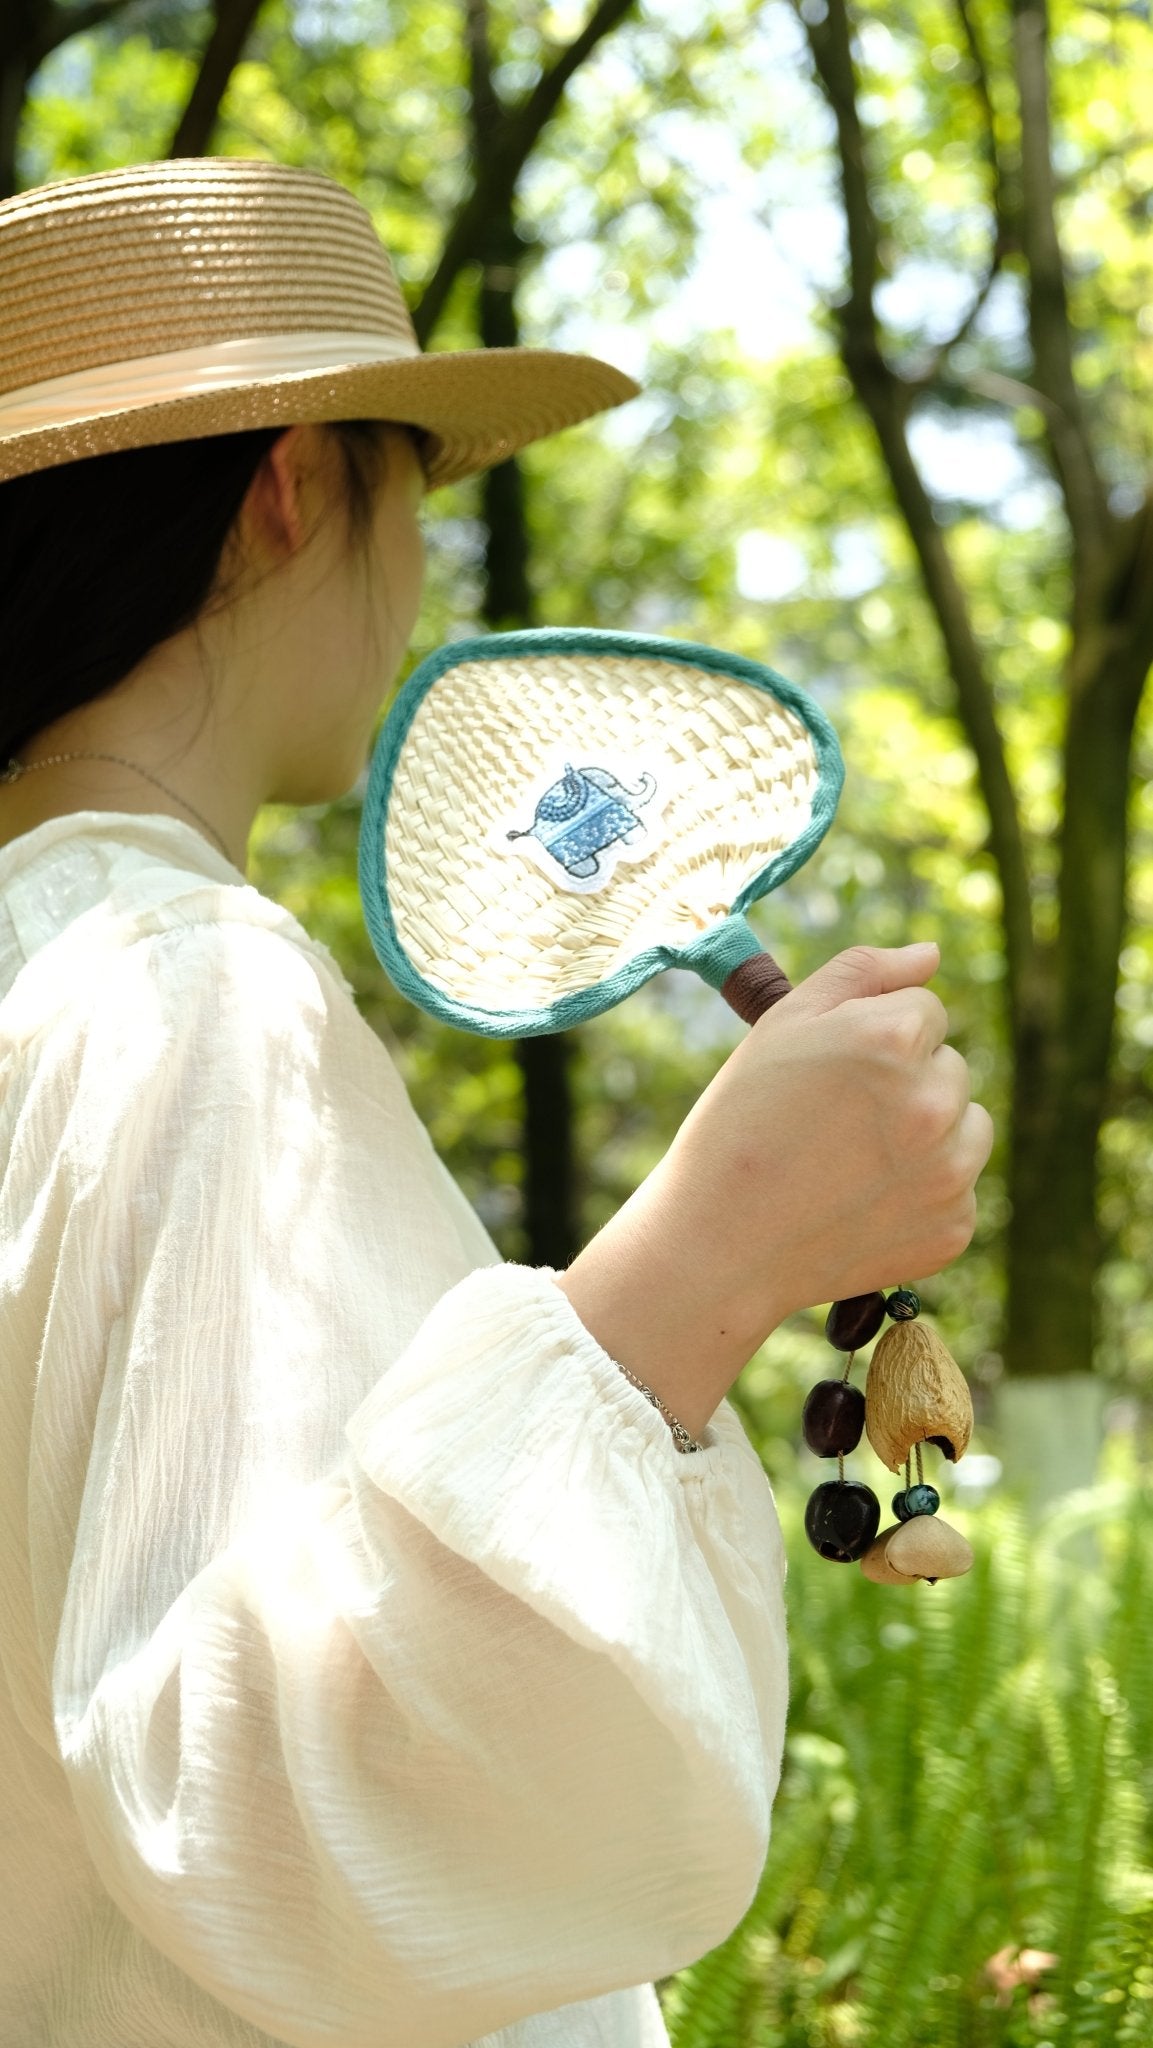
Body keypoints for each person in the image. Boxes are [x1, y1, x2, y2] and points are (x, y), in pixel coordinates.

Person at [0, 160, 993, 2048]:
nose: (421, 555)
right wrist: (702, 1266)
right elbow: (275, 1806)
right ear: (297, 484)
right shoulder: (184, 989)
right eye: (415, 485)